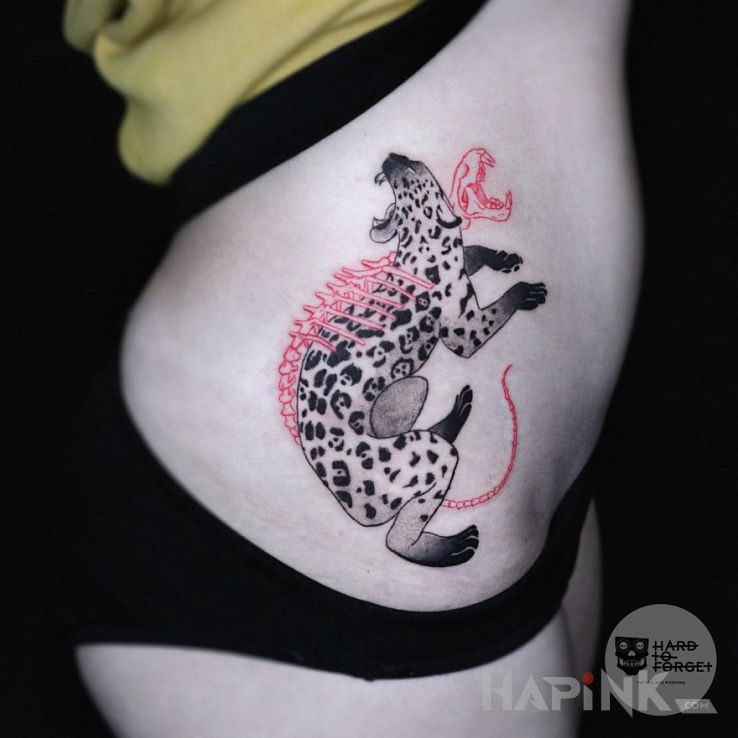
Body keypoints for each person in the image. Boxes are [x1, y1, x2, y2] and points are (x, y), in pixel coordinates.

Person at [62, 0, 640, 735]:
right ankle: (408, 531)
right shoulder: (427, 256)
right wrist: (509, 297)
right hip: (297, 541)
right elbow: (463, 336)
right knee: (430, 460)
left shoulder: (431, 253)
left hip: (555, 485)